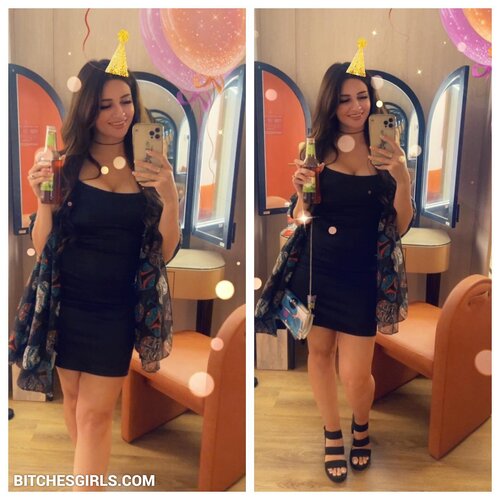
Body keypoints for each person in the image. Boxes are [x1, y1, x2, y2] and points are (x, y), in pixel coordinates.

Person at [19, 58, 180, 490]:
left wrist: (170, 196)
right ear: (87, 109)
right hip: (66, 305)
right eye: (105, 105)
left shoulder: (150, 166)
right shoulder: (66, 165)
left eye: (125, 101)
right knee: (74, 401)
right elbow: (44, 248)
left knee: (94, 415)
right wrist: (43, 202)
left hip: (116, 310)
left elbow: (164, 252)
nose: (119, 113)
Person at [256, 60, 414, 484]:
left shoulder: (387, 150)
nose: (355, 106)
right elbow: (300, 216)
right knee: (320, 355)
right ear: (332, 103)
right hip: (318, 268)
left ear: (372, 99)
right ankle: (332, 432)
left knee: (356, 374)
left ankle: (361, 423)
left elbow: (399, 227)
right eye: (344, 99)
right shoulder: (316, 148)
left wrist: (402, 178)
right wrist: (299, 193)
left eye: (362, 96)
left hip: (363, 272)